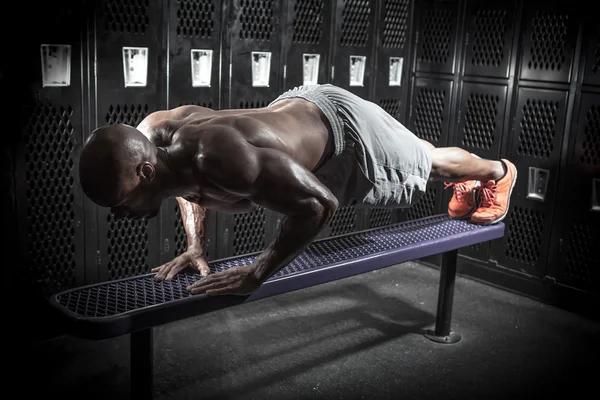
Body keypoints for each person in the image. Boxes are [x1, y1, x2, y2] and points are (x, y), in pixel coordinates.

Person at [79, 84, 517, 296]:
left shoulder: (220, 157)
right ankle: (470, 177)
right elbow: (182, 184)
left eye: (119, 204)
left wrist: (256, 274)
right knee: (421, 152)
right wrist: (196, 246)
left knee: (429, 162)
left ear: (145, 171)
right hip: (301, 107)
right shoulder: (153, 137)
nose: (120, 215)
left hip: (348, 133)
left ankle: (498, 173)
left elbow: (319, 206)